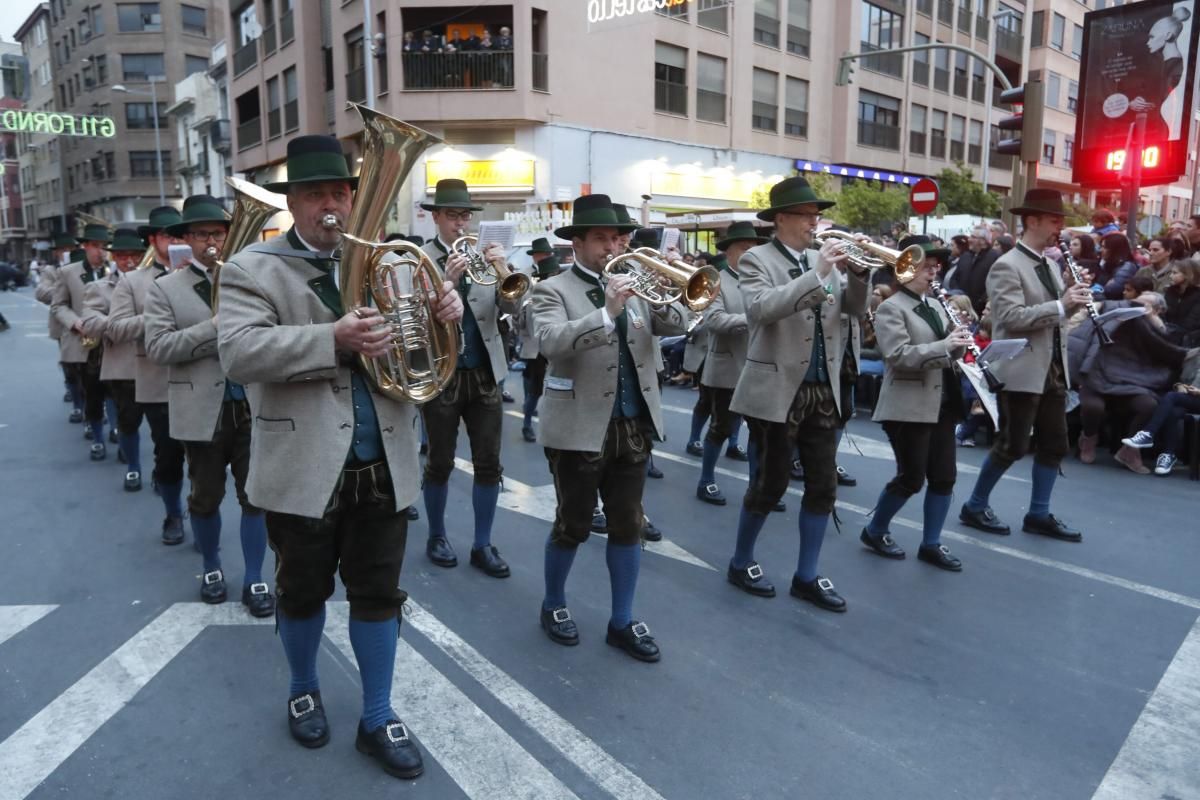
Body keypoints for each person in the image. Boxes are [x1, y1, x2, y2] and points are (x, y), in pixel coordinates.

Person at [218, 134, 464, 779]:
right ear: (293, 203)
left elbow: (426, 357)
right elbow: (239, 355)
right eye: (315, 194)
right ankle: (304, 686)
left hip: (383, 460)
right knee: (301, 594)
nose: (331, 205)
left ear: (355, 199)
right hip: (302, 465)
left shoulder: (397, 263)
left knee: (380, 593)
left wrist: (447, 314)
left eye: (340, 193)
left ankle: (378, 715)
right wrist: (332, 337)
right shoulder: (251, 269)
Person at [531, 193, 686, 662]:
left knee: (628, 525)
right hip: (579, 426)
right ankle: (554, 603)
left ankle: (622, 619)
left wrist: (668, 283)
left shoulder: (635, 282)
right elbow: (550, 343)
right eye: (601, 238)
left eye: (619, 237)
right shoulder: (552, 289)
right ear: (576, 242)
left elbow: (677, 321)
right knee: (572, 525)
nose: (613, 245)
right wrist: (607, 312)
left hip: (632, 423)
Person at [725, 176, 867, 610]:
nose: (814, 221)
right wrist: (819, 271)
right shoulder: (757, 260)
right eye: (806, 214)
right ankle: (741, 559)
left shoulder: (820, 258)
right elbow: (761, 310)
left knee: (823, 486)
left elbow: (854, 313)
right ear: (781, 218)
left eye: (816, 214)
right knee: (770, 484)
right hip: (776, 386)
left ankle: (807, 574)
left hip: (823, 387)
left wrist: (859, 275)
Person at [144, 195, 272, 615]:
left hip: (251, 403)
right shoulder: (165, 288)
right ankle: (213, 566)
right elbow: (159, 347)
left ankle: (255, 578)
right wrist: (212, 327)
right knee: (205, 497)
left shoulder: (248, 279)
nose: (210, 241)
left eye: (217, 233)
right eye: (201, 234)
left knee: (256, 496)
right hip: (202, 410)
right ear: (187, 240)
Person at [959, 189, 1094, 543]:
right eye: (1054, 220)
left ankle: (1038, 513)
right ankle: (974, 505)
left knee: (1054, 444)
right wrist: (1062, 305)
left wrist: (1075, 303)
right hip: (1021, 369)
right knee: (1013, 445)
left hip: (1052, 368)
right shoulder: (1006, 265)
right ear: (1031, 221)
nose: (1059, 228)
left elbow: (1055, 318)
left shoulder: (1049, 264)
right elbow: (1011, 317)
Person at [419, 178, 523, 578]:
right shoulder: (419, 257)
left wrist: (504, 269)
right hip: (442, 373)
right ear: (437, 218)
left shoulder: (482, 256)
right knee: (440, 462)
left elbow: (512, 305)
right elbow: (411, 317)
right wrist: (445, 279)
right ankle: (437, 535)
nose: (461, 223)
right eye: (453, 215)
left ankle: (483, 543)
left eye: (465, 215)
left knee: (489, 464)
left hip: (484, 374)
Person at [862, 237, 971, 571]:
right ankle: (875, 529)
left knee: (944, 477)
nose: (932, 272)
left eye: (935, 266)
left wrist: (959, 344)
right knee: (911, 478)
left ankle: (931, 543)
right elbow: (897, 356)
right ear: (905, 268)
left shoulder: (937, 306)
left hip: (941, 400)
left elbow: (945, 352)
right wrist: (944, 345)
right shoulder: (891, 308)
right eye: (926, 266)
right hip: (906, 403)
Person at [106, 206, 189, 545]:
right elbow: (116, 328)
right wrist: (159, 316)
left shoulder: (213, 274)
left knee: (208, 465)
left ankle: (201, 514)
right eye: (169, 236)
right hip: (159, 382)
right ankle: (172, 512)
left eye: (181, 235)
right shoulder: (132, 281)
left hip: (208, 381)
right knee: (168, 456)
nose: (177, 242)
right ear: (153, 241)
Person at [1072, 293, 1193, 474]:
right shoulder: (1114, 314)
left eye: (1143, 304)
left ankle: (1130, 450)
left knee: (1148, 405)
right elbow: (1080, 332)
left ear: (1159, 310)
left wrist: (1151, 319)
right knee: (1093, 406)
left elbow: (1168, 349)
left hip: (1134, 382)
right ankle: (1089, 438)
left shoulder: (1163, 327)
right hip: (1099, 376)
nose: (1135, 305)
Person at [695, 221, 770, 507]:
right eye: (743, 248)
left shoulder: (761, 279)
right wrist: (755, 317)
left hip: (758, 365)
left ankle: (758, 486)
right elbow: (714, 321)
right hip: (727, 368)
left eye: (753, 248)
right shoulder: (715, 280)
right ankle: (706, 480)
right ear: (729, 252)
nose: (750, 252)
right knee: (721, 427)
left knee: (760, 430)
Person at [79, 228, 146, 491]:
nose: (129, 261)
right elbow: (90, 322)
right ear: (113, 258)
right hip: (123, 366)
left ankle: (162, 473)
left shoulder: (158, 281)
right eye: (121, 256)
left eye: (134, 256)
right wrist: (123, 325)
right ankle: (133, 468)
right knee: (128, 423)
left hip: (158, 363)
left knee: (165, 433)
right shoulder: (98, 287)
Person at [53, 224, 112, 459]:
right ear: (85, 246)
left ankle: (117, 428)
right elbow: (58, 305)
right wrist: (74, 322)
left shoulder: (115, 270)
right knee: (92, 393)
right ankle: (97, 437)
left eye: (104, 247)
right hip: (85, 343)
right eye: (96, 246)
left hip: (112, 340)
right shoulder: (69, 272)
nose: (101, 252)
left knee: (117, 392)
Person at [1122, 354, 1200, 475]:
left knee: (1171, 397)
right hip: (1190, 398)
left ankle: (1148, 434)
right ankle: (1168, 454)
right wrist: (1180, 386)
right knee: (1172, 412)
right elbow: (1180, 379)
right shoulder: (1194, 354)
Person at [517, 237, 562, 442]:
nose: (543, 257)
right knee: (533, 386)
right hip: (535, 344)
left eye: (546, 254)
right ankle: (527, 422)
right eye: (540, 254)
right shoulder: (527, 277)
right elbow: (520, 316)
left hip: (558, 344)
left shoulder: (560, 281)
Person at [35, 233, 79, 413]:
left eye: (70, 249)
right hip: (63, 325)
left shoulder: (83, 267)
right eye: (63, 250)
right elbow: (41, 293)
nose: (67, 252)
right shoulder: (51, 271)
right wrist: (64, 288)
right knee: (69, 363)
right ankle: (73, 390)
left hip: (87, 321)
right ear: (57, 253)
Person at [961, 226, 998, 316]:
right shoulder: (967, 256)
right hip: (964, 306)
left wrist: (981, 301)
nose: (969, 239)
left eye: (973, 237)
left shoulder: (994, 257)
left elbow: (995, 283)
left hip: (981, 310)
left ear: (983, 241)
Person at [1163, 259, 1200, 346]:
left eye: (1175, 273)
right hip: (1169, 333)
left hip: (1190, 340)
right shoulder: (1171, 291)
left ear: (1188, 275)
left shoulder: (1198, 295)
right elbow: (1164, 315)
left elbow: (1190, 324)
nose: (1170, 276)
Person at [1098, 232, 1139, 299]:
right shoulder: (1108, 264)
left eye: (1104, 247)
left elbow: (1112, 289)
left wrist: (1099, 287)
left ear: (1114, 249)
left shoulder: (1127, 267)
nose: (1100, 250)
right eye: (1101, 246)